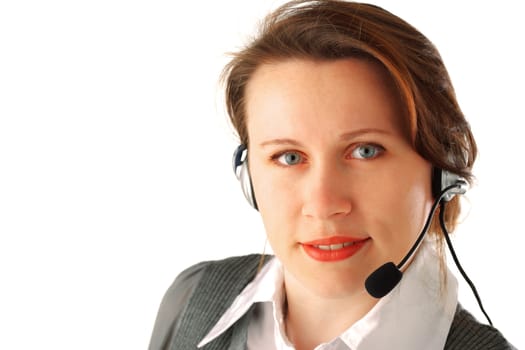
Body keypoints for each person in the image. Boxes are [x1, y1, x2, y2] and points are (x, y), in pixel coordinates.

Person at [148, 1, 516, 349]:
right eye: (289, 156)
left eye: (365, 151)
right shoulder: (192, 300)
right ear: (249, 177)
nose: (323, 205)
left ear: (442, 172)